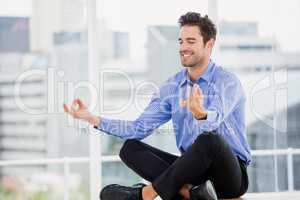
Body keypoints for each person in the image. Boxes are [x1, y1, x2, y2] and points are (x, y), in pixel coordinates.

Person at [64, 12, 251, 200]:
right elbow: (138, 128)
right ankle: (192, 194)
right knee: (130, 149)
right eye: (181, 41)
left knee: (210, 140)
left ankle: (145, 194)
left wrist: (201, 114)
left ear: (209, 44)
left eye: (191, 41)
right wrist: (93, 118)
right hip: (193, 173)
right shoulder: (172, 87)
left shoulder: (227, 82)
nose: (183, 47)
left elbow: (215, 118)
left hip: (229, 176)